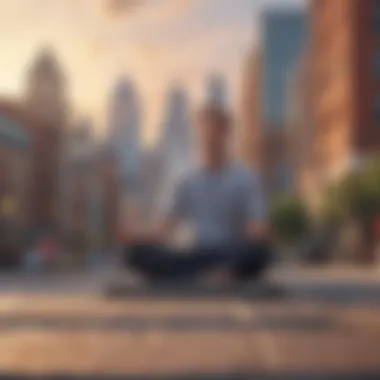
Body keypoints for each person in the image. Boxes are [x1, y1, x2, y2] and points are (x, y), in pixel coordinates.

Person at [122, 103, 272, 284]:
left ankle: (214, 273)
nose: (210, 136)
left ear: (226, 134)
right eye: (205, 130)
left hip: (228, 252)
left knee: (259, 253)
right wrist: (135, 234)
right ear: (198, 133)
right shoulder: (185, 177)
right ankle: (210, 275)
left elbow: (256, 227)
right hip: (194, 252)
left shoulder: (246, 178)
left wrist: (259, 235)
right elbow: (166, 226)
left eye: (216, 130)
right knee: (136, 254)